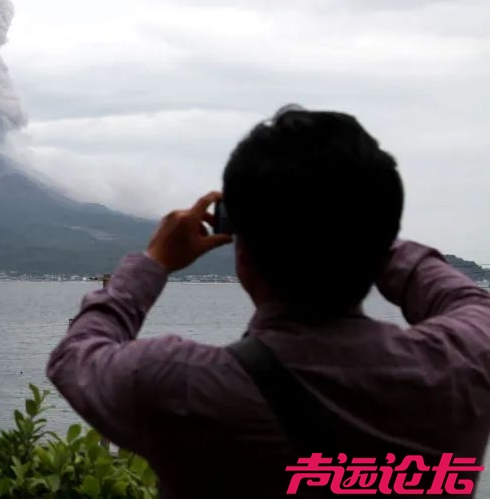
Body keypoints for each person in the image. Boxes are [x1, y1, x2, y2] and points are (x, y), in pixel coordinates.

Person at [47, 106, 490, 498]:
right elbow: (467, 301)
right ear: (383, 236)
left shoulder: (183, 387)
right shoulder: (463, 365)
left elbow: (76, 357)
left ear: (243, 253)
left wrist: (155, 261)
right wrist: (358, 232)